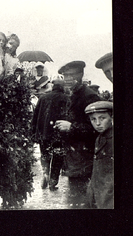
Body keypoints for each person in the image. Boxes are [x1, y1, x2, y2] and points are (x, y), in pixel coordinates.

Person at [54, 61, 101, 207]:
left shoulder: (89, 96)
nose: (67, 78)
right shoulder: (73, 94)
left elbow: (98, 128)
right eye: (65, 75)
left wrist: (71, 127)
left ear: (80, 75)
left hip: (85, 157)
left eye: (71, 75)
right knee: (76, 197)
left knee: (81, 199)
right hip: (74, 157)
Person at [32, 77, 69, 191]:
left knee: (45, 155)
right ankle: (53, 182)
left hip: (44, 133)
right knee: (58, 157)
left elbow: (35, 116)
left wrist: (34, 133)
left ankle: (45, 173)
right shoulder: (66, 99)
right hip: (59, 134)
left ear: (53, 86)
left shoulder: (43, 98)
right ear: (62, 87)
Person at [84, 101, 113, 209]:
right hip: (98, 194)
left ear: (112, 117)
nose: (97, 124)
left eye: (102, 118)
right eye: (93, 119)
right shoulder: (100, 137)